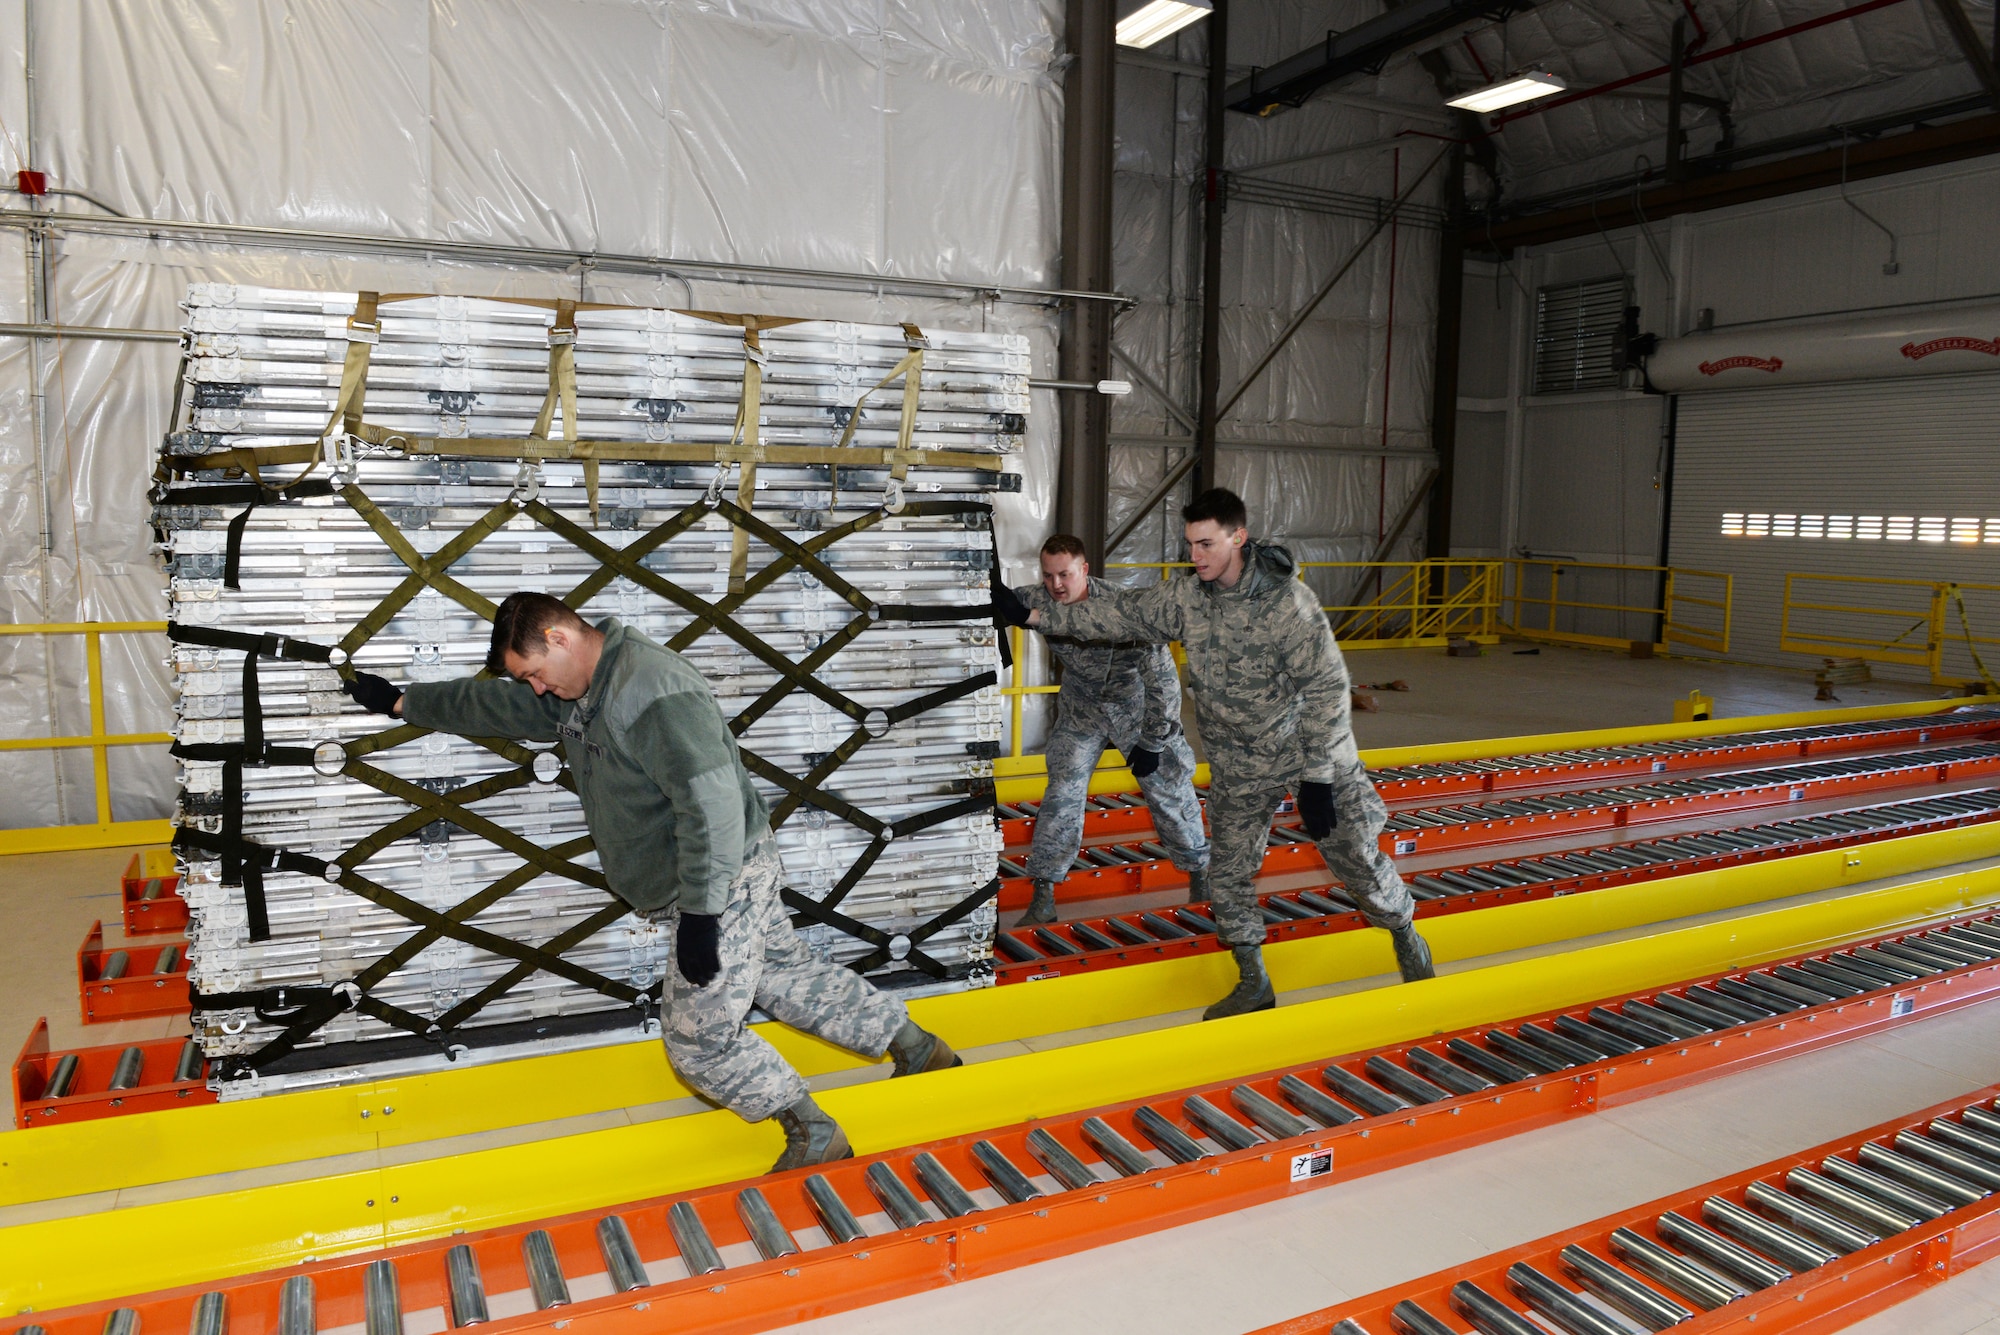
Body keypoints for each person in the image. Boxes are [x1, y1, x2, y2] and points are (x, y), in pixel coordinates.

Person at [342, 593, 959, 1172]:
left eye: (535, 671)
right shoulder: (577, 688)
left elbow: (710, 805)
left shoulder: (652, 690)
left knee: (698, 1041)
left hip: (720, 880)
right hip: (718, 877)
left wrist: (700, 916)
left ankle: (813, 1133)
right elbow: (498, 707)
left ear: (559, 636)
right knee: (784, 973)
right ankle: (918, 1049)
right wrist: (403, 702)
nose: (536, 688)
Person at [994, 488, 1433, 1020]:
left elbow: (1326, 688)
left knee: (1356, 858)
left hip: (1302, 752)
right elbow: (1120, 616)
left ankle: (1406, 936)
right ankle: (1254, 982)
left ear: (1238, 537)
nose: (1195, 555)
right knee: (1226, 874)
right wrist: (1036, 618)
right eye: (1189, 544)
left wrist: (1318, 777)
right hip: (1238, 761)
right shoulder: (1186, 598)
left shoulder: (1287, 603)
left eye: (1205, 544)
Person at [1011, 534, 1210, 924]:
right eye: (1048, 575)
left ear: (1084, 570)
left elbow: (1165, 683)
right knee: (1062, 792)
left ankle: (1200, 873)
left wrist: (1154, 742)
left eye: (1065, 574)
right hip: (1081, 709)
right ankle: (1044, 892)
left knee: (1168, 789)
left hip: (1134, 707)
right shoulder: (1041, 598)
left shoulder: (1124, 609)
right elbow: (1003, 600)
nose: (1056, 585)